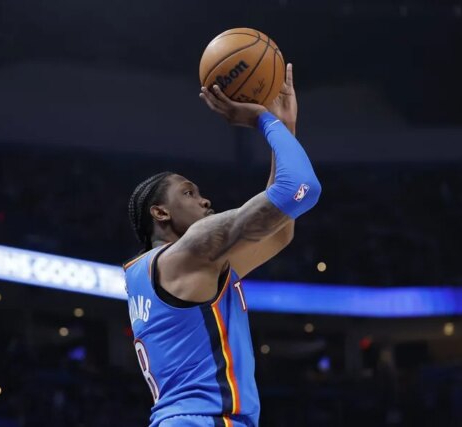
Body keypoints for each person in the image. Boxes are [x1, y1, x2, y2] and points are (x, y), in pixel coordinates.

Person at [124, 64, 321, 427]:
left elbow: (279, 231)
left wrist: (286, 128)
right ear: (160, 212)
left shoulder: (167, 270)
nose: (204, 200)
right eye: (188, 193)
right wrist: (262, 120)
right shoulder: (190, 252)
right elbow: (301, 189)